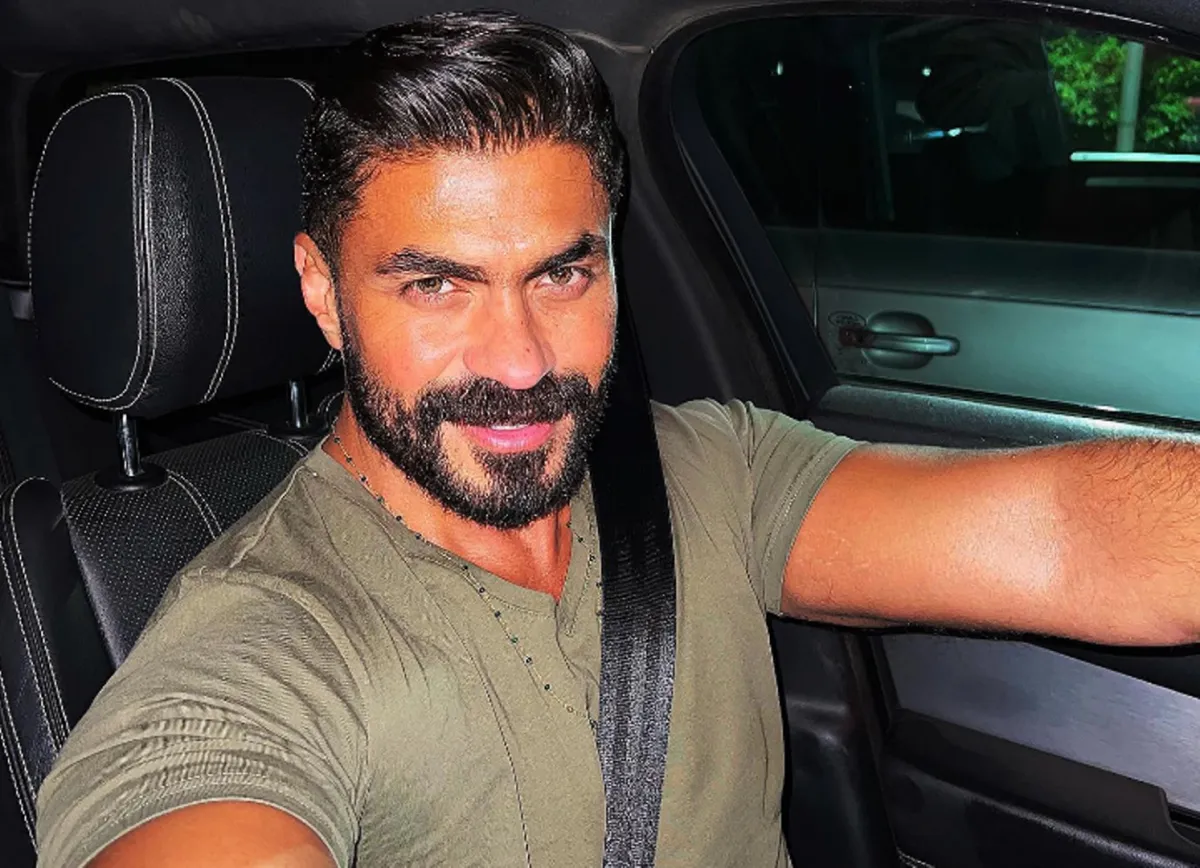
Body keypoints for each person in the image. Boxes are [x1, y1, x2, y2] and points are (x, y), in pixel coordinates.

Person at [36, 11, 1200, 868]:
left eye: (561, 272)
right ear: (323, 294)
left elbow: (1071, 535)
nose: (520, 362)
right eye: (436, 285)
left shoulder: (708, 469)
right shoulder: (264, 645)